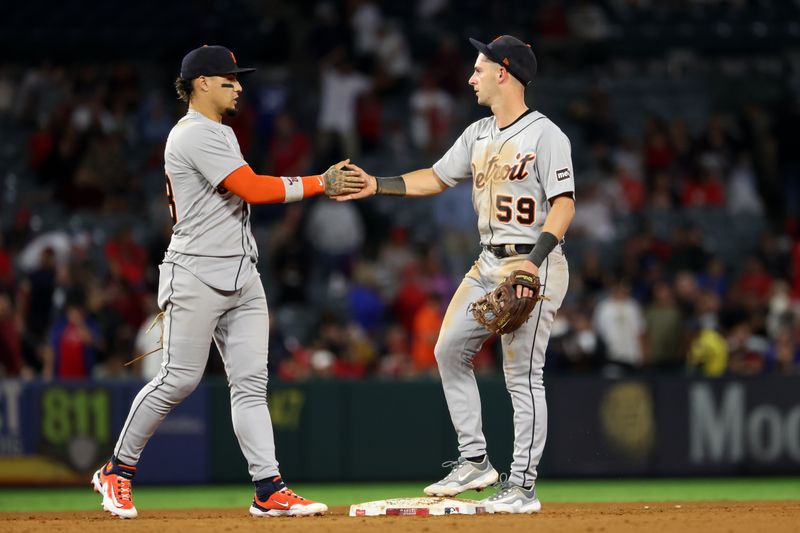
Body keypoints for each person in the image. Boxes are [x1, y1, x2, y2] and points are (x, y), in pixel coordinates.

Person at [91, 45, 363, 519]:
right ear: (201, 83)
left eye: (238, 78)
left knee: (252, 385)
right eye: (228, 79)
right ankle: (116, 469)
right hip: (195, 271)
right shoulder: (194, 134)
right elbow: (254, 188)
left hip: (241, 273)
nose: (239, 85)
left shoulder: (220, 132)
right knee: (178, 379)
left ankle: (269, 488)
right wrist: (319, 182)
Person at [339, 35, 575, 514]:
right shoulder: (477, 134)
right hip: (488, 260)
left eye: (478, 69)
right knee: (448, 349)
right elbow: (435, 176)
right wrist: (375, 185)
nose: (471, 78)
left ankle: (523, 489)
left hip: (534, 261)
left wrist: (533, 262)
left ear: (503, 72)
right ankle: (475, 461)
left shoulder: (547, 135)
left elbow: (564, 205)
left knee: (523, 375)